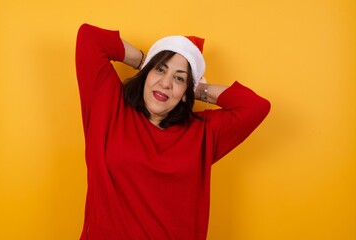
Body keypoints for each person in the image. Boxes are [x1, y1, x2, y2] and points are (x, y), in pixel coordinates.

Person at [75, 23, 270, 240]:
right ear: (147, 73)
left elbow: (255, 107)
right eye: (160, 68)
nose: (165, 83)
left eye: (179, 78)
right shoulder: (109, 107)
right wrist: (144, 61)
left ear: (187, 92)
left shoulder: (202, 133)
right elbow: (90, 37)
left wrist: (196, 88)